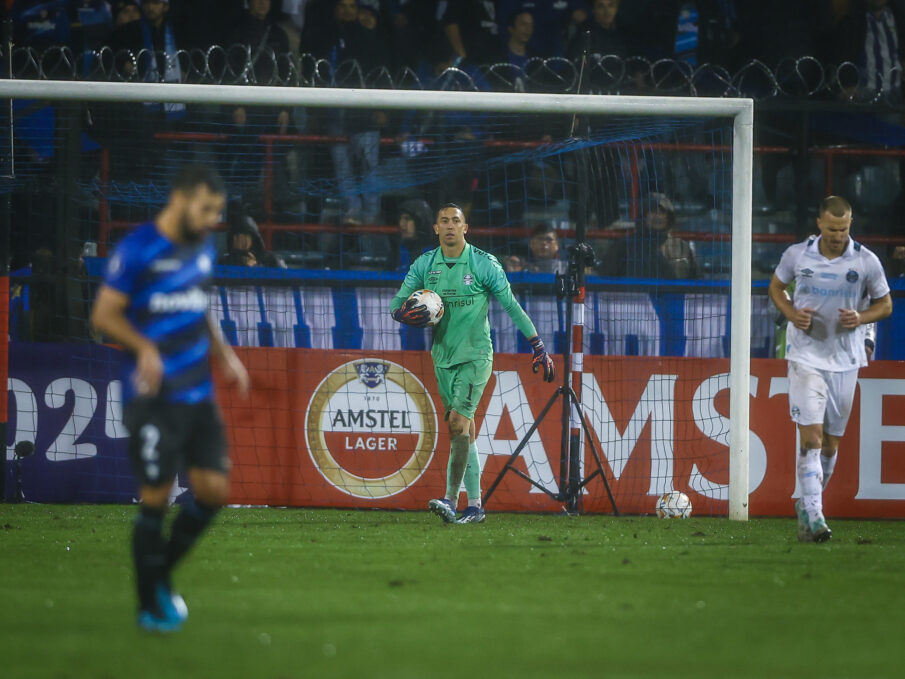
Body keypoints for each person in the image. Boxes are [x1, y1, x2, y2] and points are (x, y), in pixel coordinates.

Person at [89, 166, 250, 632]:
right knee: (155, 500)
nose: (211, 220)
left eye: (217, 212)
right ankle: (149, 604)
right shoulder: (138, 248)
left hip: (199, 393)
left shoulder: (202, 248)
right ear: (179, 200)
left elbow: (201, 309)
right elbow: (104, 314)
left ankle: (158, 578)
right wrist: (144, 348)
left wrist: (227, 357)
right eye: (205, 210)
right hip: (152, 396)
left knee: (215, 492)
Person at [389, 204, 555, 524]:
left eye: (456, 221)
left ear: (466, 228)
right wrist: (406, 314)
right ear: (435, 229)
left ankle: (450, 500)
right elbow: (398, 303)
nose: (450, 226)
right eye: (444, 222)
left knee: (456, 423)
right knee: (463, 432)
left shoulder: (482, 264)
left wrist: (537, 345)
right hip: (442, 357)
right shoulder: (425, 264)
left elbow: (511, 304)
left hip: (476, 357)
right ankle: (476, 506)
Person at [768, 195, 892, 543]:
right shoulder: (797, 255)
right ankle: (815, 513)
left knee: (831, 446)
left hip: (845, 359)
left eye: (844, 228)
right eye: (833, 228)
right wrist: (792, 314)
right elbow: (776, 288)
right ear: (819, 224)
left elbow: (885, 305)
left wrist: (861, 318)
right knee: (811, 437)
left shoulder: (866, 261)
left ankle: (808, 508)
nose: (839, 235)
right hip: (805, 356)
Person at [604, 193, 697, 279]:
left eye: (662, 212)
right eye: (653, 211)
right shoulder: (624, 246)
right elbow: (605, 278)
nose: (658, 217)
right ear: (643, 216)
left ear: (669, 217)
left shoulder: (682, 248)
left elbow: (696, 281)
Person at [395, 198, 434, 270]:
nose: (401, 224)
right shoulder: (397, 251)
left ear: (421, 222)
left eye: (407, 219)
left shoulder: (437, 255)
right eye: (400, 219)